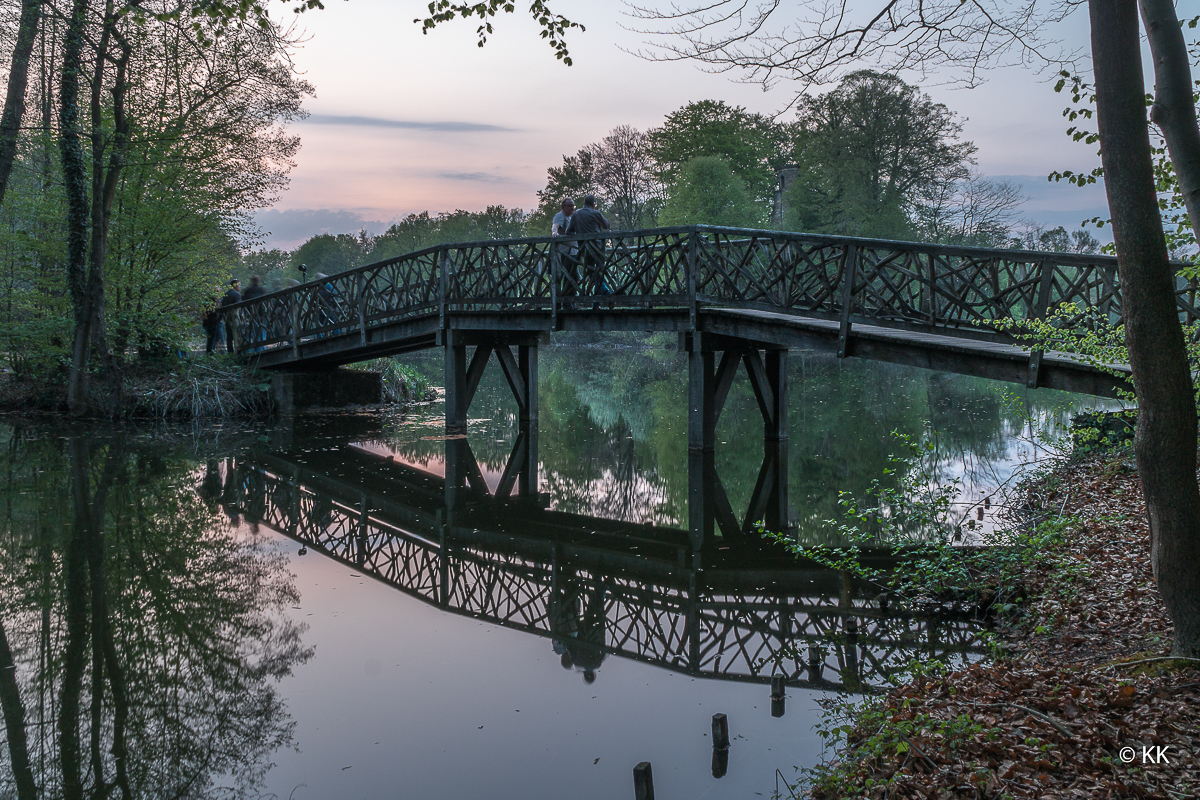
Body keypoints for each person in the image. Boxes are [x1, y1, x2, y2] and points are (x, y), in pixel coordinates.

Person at [565, 195, 610, 299]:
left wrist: (578, 235)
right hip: (598, 249)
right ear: (593, 203)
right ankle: (605, 292)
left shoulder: (576, 214)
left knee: (593, 273)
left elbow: (568, 231)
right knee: (598, 272)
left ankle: (597, 302)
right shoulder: (596, 213)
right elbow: (606, 226)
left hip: (584, 250)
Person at [219, 279, 241, 353]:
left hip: (227, 318)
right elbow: (237, 307)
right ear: (235, 285)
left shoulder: (226, 294)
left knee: (229, 337)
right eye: (239, 285)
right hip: (235, 318)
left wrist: (225, 318)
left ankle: (230, 352)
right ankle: (238, 352)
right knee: (237, 335)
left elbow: (222, 307)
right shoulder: (237, 295)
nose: (240, 286)